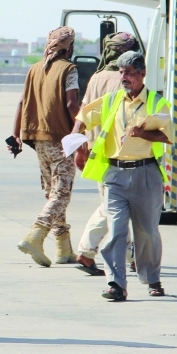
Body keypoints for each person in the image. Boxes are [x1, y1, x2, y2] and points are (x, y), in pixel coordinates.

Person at [72, 51, 174, 301]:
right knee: (116, 229)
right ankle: (115, 284)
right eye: (121, 72)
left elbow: (167, 136)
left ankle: (153, 279)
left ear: (142, 74)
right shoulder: (111, 100)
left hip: (146, 174)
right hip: (115, 175)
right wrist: (77, 139)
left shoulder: (157, 103)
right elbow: (83, 116)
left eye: (129, 73)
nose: (124, 77)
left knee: (147, 231)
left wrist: (142, 134)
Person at [9, 26, 81, 268]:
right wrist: (81, 131)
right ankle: (35, 236)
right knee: (61, 193)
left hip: (38, 138)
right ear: (69, 47)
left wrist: (15, 135)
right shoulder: (69, 69)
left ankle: (64, 247)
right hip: (61, 138)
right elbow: (72, 104)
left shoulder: (34, 69)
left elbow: (22, 102)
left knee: (53, 193)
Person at [74, 32, 138, 276]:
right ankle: (87, 251)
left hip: (96, 149)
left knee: (120, 206)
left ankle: (133, 257)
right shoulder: (124, 79)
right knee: (112, 206)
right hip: (117, 152)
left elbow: (83, 114)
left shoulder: (97, 77)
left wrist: (81, 149)